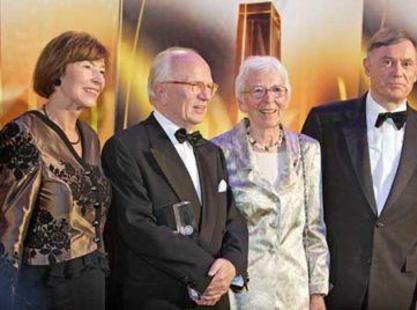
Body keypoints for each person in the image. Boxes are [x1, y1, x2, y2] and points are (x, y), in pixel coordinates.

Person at [302, 28, 417, 310]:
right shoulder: (325, 122)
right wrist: (312, 288)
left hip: (401, 290)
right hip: (333, 286)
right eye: (387, 61)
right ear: (367, 66)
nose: (398, 71)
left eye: (406, 63)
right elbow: (303, 209)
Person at [101, 47, 248, 309]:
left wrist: (231, 263)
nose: (206, 95)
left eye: (209, 86)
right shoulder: (125, 147)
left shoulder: (212, 152)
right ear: (161, 91)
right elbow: (137, 226)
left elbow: (232, 218)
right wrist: (208, 274)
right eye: (195, 85)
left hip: (215, 299)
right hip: (159, 299)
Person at [0, 31, 111, 309]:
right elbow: (8, 229)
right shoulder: (24, 133)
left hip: (91, 280)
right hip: (43, 289)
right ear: (58, 71)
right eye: (88, 67)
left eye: (102, 71)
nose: (99, 79)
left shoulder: (91, 137)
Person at [213, 56, 329, 310]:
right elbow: (214, 229)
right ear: (242, 100)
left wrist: (317, 292)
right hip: (241, 293)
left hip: (294, 294)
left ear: (287, 97)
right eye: (258, 91)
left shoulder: (308, 149)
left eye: (277, 90)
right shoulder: (218, 151)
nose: (269, 100)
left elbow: (314, 227)